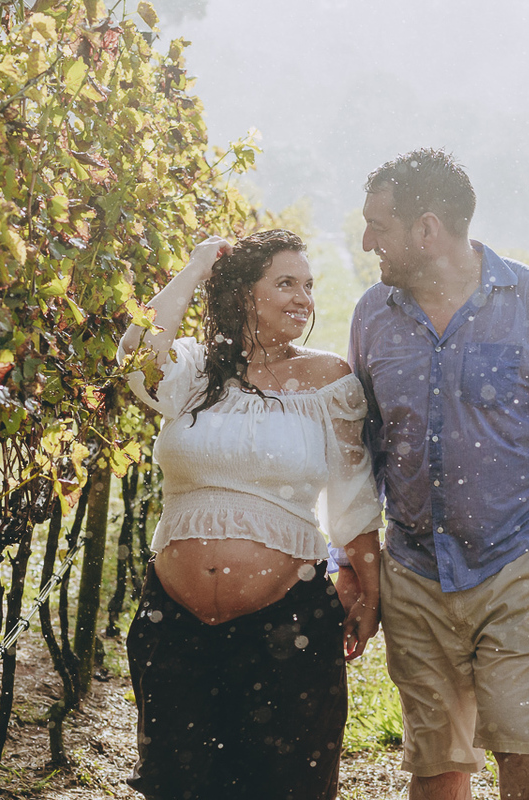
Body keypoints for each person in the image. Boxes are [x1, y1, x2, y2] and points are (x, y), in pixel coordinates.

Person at [336, 148, 529, 800]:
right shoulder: (373, 315)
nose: (367, 240)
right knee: (435, 764)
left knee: (521, 745)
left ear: (426, 230)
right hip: (414, 572)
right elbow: (361, 451)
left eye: (379, 224)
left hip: (519, 563)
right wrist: (355, 562)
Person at [117, 229, 384, 800]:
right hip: (175, 626)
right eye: (285, 282)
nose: (302, 299)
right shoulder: (192, 371)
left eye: (308, 286)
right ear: (243, 293)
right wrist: (194, 268)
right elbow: (136, 360)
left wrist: (367, 586)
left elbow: (354, 494)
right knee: (177, 788)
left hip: (286, 629)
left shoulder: (328, 381)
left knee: (284, 789)